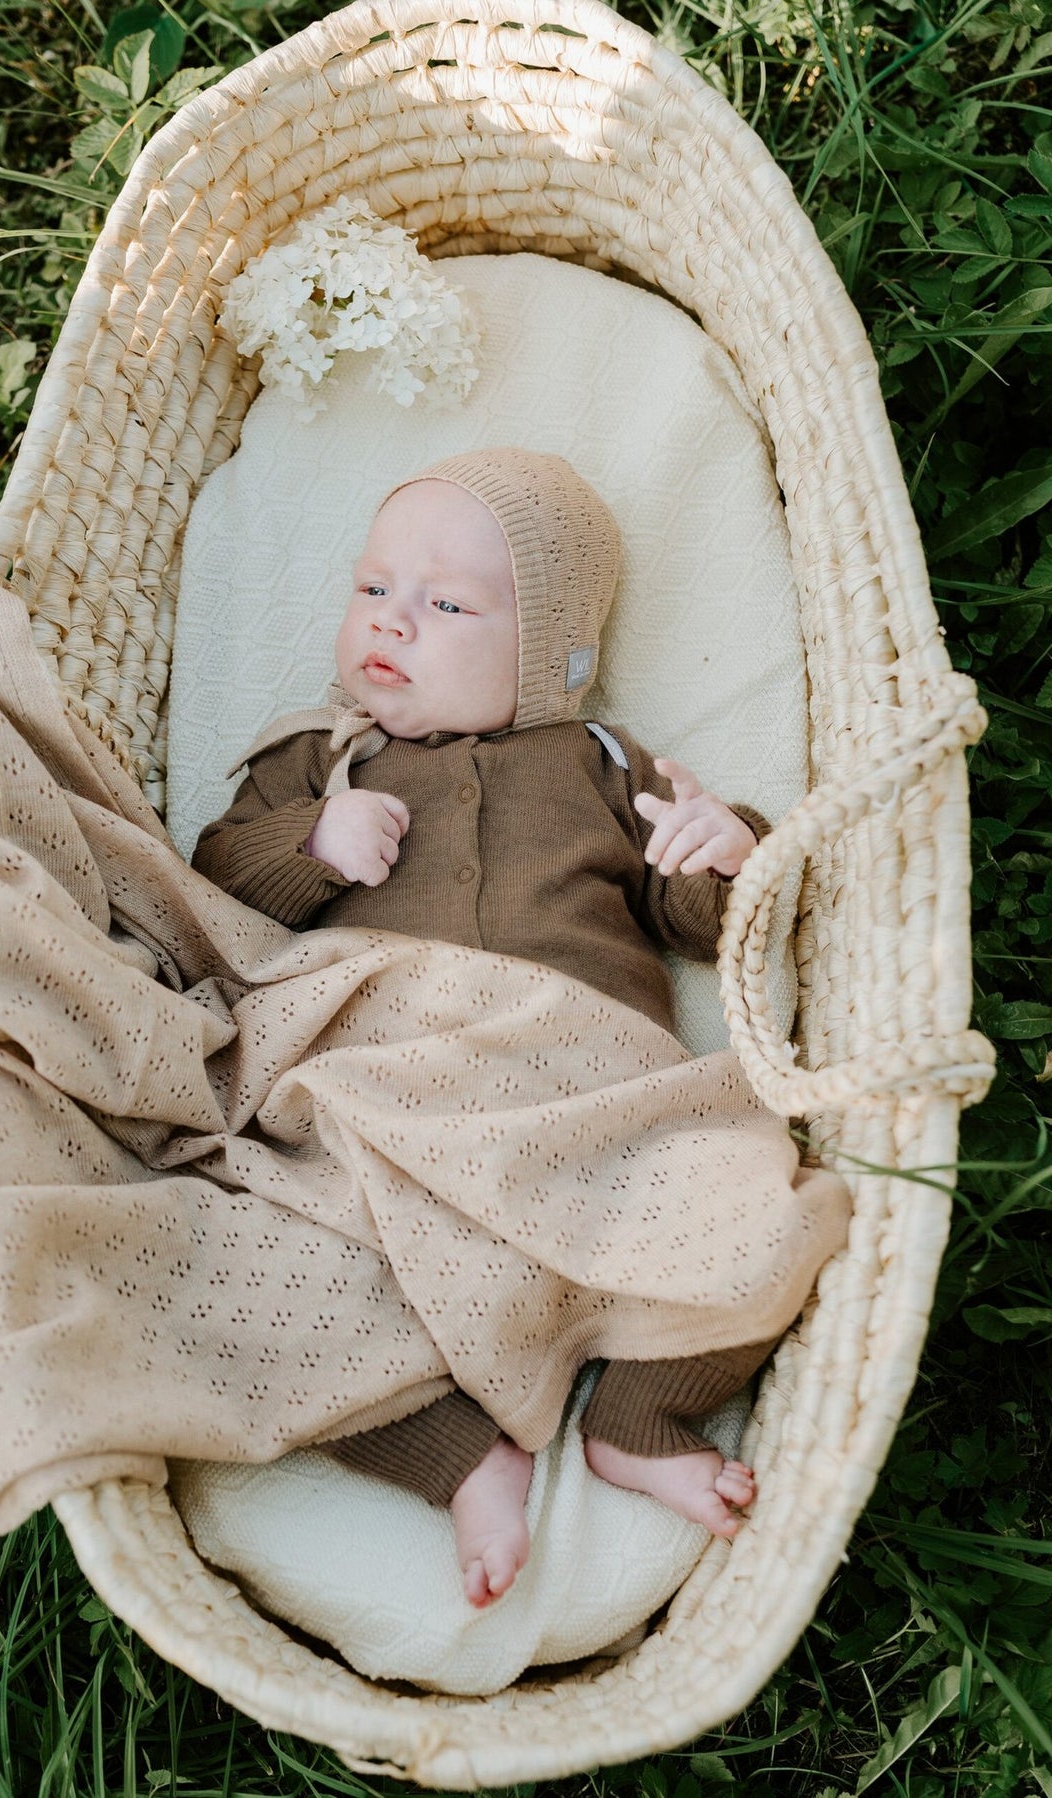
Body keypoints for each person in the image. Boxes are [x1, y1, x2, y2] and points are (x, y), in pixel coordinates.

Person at [192, 447, 800, 1609]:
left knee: (760, 1205)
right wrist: (308, 848)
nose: (394, 622)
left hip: (585, 1096)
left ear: (549, 650)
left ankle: (640, 1412)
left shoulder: (601, 766)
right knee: (252, 1281)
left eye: (447, 603)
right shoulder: (313, 760)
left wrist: (729, 850)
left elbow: (697, 916)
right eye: (373, 589)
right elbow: (213, 888)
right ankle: (458, 1450)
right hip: (382, 1101)